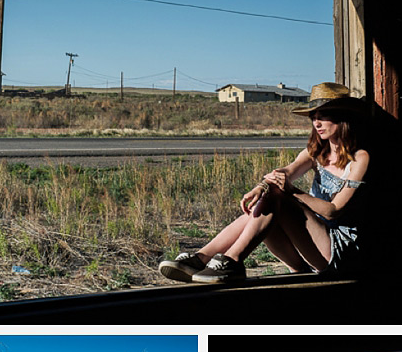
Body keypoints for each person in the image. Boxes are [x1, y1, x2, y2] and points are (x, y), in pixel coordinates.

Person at [158, 82, 369, 285]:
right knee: (271, 195)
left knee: (281, 197)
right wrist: (262, 187)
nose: (316, 123)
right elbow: (286, 171)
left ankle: (231, 260)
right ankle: (202, 258)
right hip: (310, 247)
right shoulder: (315, 153)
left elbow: (333, 211)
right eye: (313, 117)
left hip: (340, 251)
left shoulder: (360, 158)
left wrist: (291, 191)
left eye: (322, 116)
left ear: (342, 117)